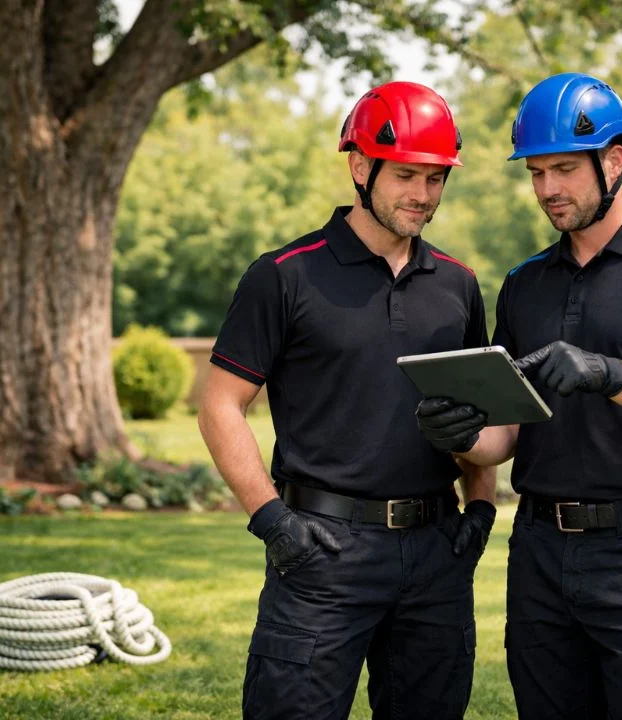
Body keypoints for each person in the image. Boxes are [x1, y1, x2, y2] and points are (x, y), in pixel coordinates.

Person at [415, 73, 622, 720]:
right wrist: (461, 435)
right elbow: (506, 433)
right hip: (540, 559)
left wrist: (611, 374)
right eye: (536, 172)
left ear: (614, 160)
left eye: (564, 169)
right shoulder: (524, 285)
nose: (547, 189)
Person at [198, 81, 497, 720]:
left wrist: (479, 511)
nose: (423, 195)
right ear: (361, 167)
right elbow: (220, 405)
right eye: (406, 176)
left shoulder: (459, 285)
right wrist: (273, 523)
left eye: (436, 178)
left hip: (437, 553)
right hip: (319, 551)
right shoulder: (285, 275)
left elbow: (476, 407)